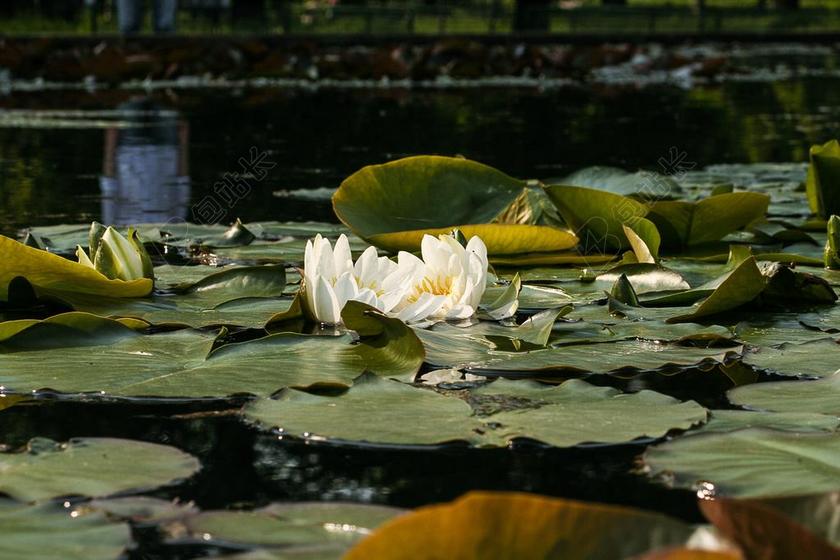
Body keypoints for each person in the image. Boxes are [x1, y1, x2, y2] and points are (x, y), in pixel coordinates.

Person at [101, 98, 190, 225]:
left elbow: (109, 189)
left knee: (135, 94)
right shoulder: (173, 231)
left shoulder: (117, 231)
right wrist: (183, 141)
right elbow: (182, 186)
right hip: (164, 147)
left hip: (131, 147)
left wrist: (110, 143)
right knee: (158, 93)